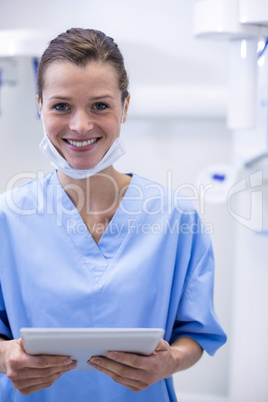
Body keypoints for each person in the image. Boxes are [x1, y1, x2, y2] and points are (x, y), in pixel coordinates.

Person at [0, 28, 226, 401]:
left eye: (100, 105)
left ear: (125, 106)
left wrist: (172, 361)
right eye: (61, 106)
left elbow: (195, 333)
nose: (81, 125)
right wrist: (6, 354)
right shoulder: (7, 217)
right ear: (38, 105)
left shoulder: (175, 217)